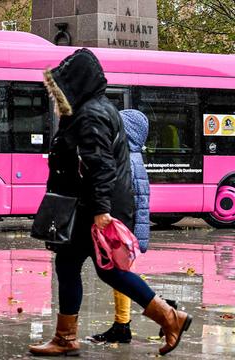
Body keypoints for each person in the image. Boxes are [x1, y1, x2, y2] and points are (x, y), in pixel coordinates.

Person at [29, 48, 192, 357]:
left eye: (60, 87)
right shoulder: (89, 111)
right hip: (86, 207)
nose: (56, 95)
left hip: (91, 209)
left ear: (75, 84)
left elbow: (100, 164)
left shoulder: (90, 115)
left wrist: (101, 210)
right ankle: (66, 337)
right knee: (71, 264)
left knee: (107, 270)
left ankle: (170, 317)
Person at [89, 109, 152, 343]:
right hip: (127, 226)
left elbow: (137, 200)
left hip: (124, 227)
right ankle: (122, 324)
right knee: (120, 275)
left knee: (120, 275)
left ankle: (165, 311)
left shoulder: (128, 159)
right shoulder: (131, 157)